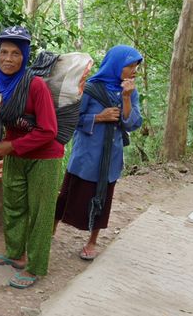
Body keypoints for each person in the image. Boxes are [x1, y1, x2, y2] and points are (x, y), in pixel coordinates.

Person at [0, 26, 64, 289]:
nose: (8, 59)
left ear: (25, 57)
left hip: (44, 157)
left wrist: (11, 146)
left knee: (40, 213)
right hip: (14, 152)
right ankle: (14, 253)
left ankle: (35, 267)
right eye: (3, 52)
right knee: (14, 205)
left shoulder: (35, 85)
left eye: (15, 53)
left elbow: (49, 130)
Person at [55, 45, 143, 260]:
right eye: (129, 66)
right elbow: (71, 119)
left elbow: (132, 124)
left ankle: (92, 241)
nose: (134, 71)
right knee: (68, 195)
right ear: (116, 65)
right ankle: (51, 229)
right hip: (85, 156)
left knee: (103, 198)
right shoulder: (90, 87)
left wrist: (125, 98)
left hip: (109, 158)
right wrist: (98, 117)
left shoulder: (130, 92)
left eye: (136, 66)